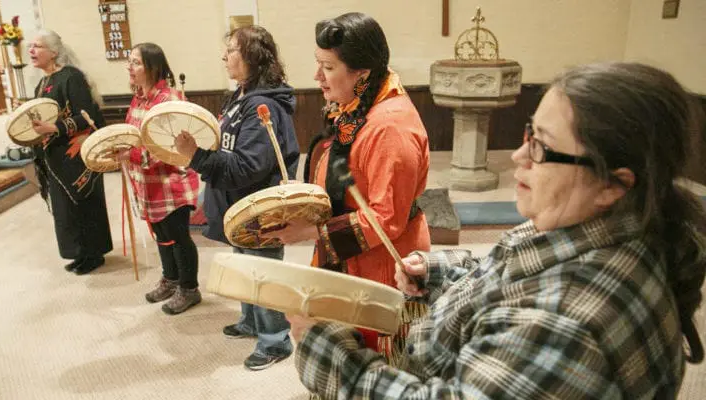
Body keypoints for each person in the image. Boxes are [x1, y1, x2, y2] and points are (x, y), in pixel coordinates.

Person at [289, 62, 706, 399]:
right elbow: (511, 270)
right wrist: (440, 270)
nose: (519, 156)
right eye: (529, 132)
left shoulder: (566, 327)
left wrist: (326, 350)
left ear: (613, 183)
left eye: (542, 147)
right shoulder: (591, 223)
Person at [270, 12, 431, 365]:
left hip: (382, 262)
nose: (317, 77)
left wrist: (312, 232)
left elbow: (385, 219)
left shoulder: (390, 128)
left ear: (361, 73)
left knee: (369, 360)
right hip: (348, 254)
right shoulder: (357, 106)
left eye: (327, 67)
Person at [174, 25, 298, 371]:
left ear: (252, 58)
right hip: (239, 204)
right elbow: (226, 146)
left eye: (231, 50)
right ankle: (251, 321)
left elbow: (247, 166)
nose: (224, 57)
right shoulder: (241, 97)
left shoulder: (263, 105)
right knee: (245, 265)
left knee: (263, 271)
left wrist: (195, 156)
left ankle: (275, 340)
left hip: (259, 205)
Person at [116, 43, 201, 314]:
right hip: (148, 183)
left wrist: (132, 156)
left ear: (153, 67)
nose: (130, 67)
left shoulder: (169, 100)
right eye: (129, 62)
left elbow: (167, 146)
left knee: (178, 236)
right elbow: (133, 134)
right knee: (162, 235)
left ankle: (189, 288)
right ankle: (172, 278)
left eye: (136, 62)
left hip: (171, 182)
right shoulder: (139, 98)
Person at [28, 30, 112, 275]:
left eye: (38, 46)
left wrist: (54, 128)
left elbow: (87, 116)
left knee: (84, 204)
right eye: (30, 46)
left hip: (77, 155)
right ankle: (78, 252)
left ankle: (93, 254)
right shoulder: (42, 83)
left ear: (54, 52)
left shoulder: (71, 77)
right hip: (54, 155)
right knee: (65, 209)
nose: (31, 50)